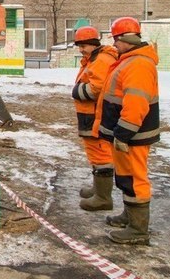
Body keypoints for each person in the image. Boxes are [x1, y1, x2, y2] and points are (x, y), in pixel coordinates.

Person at [96, 17, 159, 246]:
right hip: (125, 133)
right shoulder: (130, 60)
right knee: (125, 178)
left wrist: (123, 132)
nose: (114, 45)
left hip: (132, 135)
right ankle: (129, 216)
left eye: (116, 40)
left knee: (135, 179)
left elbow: (136, 103)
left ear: (126, 39)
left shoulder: (138, 64)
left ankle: (138, 229)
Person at [71, 26, 118, 211]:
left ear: (93, 44)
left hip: (95, 114)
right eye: (79, 46)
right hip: (89, 114)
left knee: (100, 152)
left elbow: (96, 87)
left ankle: (103, 197)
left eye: (84, 45)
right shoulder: (94, 59)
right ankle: (98, 189)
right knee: (94, 151)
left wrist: (78, 92)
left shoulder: (101, 60)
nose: (81, 49)